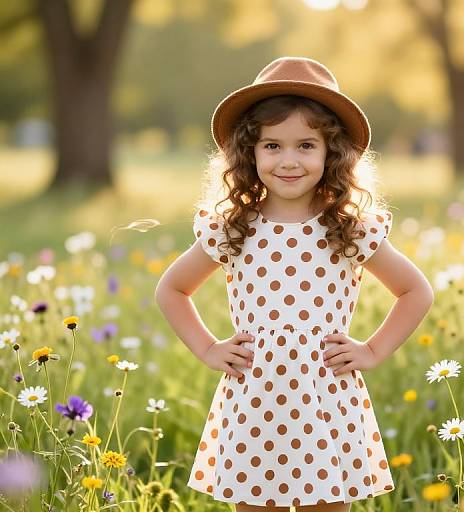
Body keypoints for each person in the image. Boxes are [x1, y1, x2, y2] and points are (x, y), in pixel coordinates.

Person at [155, 56, 434, 512]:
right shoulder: (234, 226)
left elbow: (415, 290)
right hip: (255, 395)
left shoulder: (346, 226)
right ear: (251, 152)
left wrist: (371, 350)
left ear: (331, 152)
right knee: (253, 504)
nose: (288, 160)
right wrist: (208, 349)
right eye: (272, 146)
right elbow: (171, 289)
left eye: (306, 145)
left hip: (325, 393)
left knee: (328, 504)